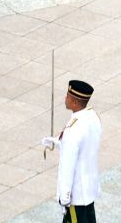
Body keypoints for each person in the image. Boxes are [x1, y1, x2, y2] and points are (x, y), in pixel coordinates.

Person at [42, 78, 100, 221]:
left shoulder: (73, 130)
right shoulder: (92, 118)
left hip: (76, 196)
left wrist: (65, 197)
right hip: (88, 190)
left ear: (74, 102)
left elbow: (68, 165)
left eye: (68, 96)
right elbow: (83, 146)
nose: (65, 99)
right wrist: (58, 141)